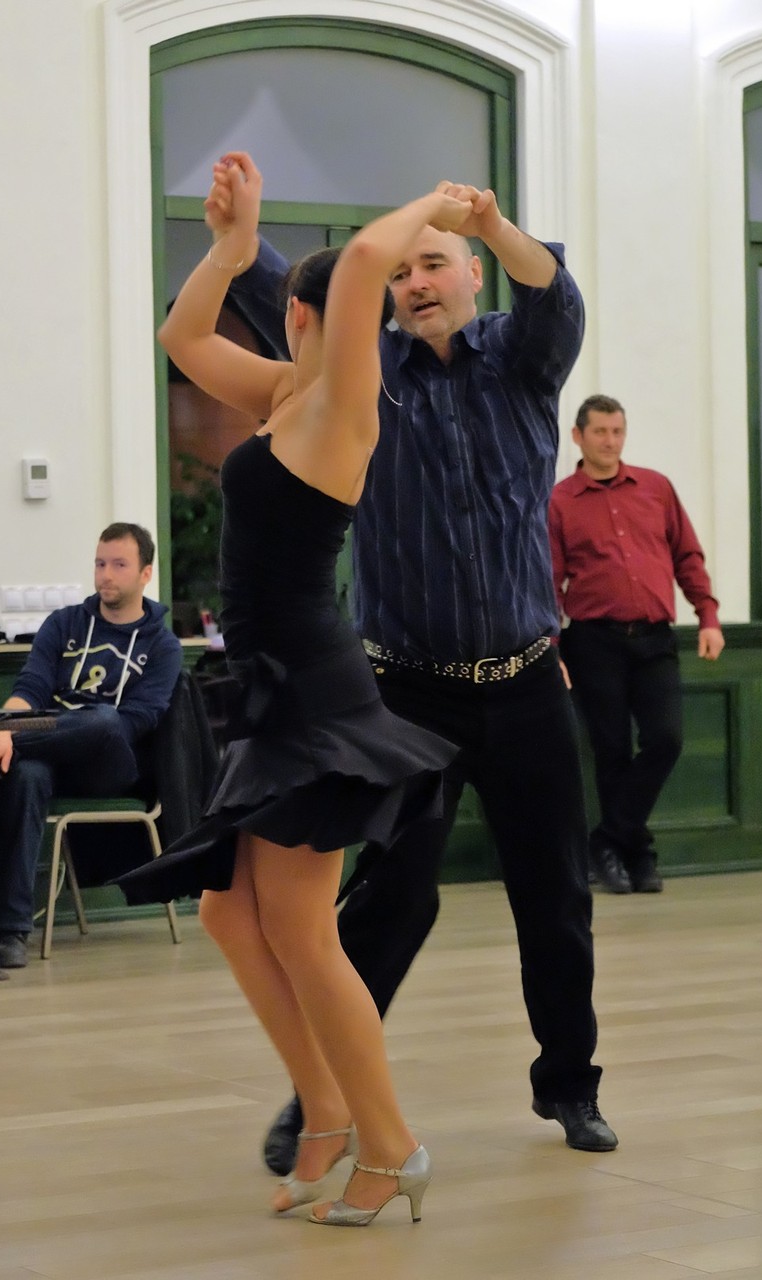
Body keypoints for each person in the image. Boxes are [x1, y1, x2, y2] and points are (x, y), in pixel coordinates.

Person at [203, 164, 618, 1171]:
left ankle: (569, 1083)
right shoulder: (364, 373)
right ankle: (325, 1096)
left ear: (472, 274)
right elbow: (308, 296)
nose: (415, 283)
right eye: (403, 272)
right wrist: (241, 241)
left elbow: (553, 291)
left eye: (435, 266)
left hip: (526, 680)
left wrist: (490, 220)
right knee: (390, 899)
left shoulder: (523, 362)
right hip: (403, 692)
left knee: (554, 895)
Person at [118, 152, 466, 1228]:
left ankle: (390, 1146)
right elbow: (181, 338)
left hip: (313, 691)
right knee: (231, 913)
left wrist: (440, 204)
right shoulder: (283, 395)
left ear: (302, 315)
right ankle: (324, 1112)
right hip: (268, 687)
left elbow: (361, 264)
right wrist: (229, 249)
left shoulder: (343, 409)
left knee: (304, 931)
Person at [0, 523, 182, 969]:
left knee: (104, 721)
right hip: (50, 752)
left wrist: (16, 735)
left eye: (119, 565)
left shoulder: (162, 645)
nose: (106, 575)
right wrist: (3, 729)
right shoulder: (64, 623)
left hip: (113, 762)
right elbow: (29, 689)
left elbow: (138, 721)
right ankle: (10, 933)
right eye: (100, 563)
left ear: (146, 573)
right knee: (25, 773)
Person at [549, 395, 724, 894]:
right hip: (593, 643)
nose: (611, 442)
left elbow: (687, 555)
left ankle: (606, 841)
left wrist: (708, 616)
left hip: (654, 638)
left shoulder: (656, 488)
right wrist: (552, 649)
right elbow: (548, 580)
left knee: (666, 739)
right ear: (578, 436)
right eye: (600, 432)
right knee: (611, 751)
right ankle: (638, 856)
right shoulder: (560, 501)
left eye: (618, 431)